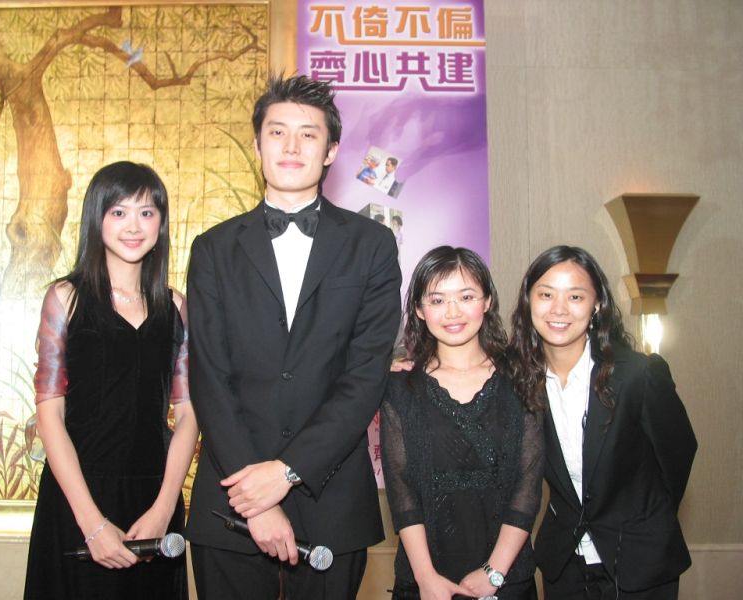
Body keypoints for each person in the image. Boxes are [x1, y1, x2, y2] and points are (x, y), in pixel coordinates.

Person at [185, 74, 402, 599]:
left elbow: (365, 377)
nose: (291, 146)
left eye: (308, 135)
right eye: (277, 132)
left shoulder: (372, 244)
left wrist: (285, 473)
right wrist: (254, 495)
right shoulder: (212, 248)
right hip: (230, 499)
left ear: (331, 151)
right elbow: (209, 378)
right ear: (257, 145)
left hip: (332, 500)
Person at [24, 161, 199, 599]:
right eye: (118, 212)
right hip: (77, 498)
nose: (133, 226)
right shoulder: (66, 299)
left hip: (154, 500)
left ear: (161, 222)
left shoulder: (176, 308)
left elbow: (189, 415)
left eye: (146, 212)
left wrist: (164, 509)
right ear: (96, 219)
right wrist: (92, 523)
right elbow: (50, 415)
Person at [507, 245, 697, 599]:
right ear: (528, 300)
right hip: (564, 564)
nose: (559, 309)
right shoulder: (518, 380)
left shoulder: (638, 375)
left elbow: (678, 456)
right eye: (546, 294)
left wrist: (644, 521)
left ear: (596, 306)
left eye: (575, 296)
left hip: (640, 564)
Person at [381, 246, 543, 600]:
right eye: (437, 300)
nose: (452, 312)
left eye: (466, 297)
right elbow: (402, 492)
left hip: (507, 576)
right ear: (419, 310)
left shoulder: (520, 378)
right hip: (424, 578)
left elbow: (528, 485)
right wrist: (426, 578)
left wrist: (494, 572)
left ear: (487, 301)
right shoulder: (399, 388)